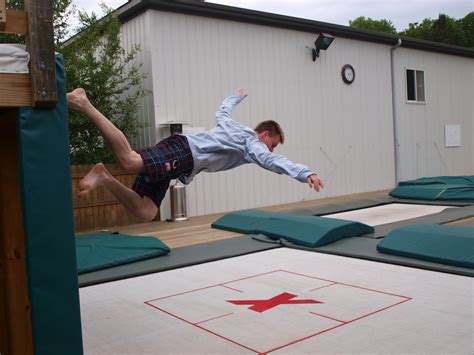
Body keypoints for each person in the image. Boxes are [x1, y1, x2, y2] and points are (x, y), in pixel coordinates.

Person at [67, 88, 324, 221]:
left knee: (145, 211)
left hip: (183, 157)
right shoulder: (251, 141)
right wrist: (305, 173)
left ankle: (104, 176)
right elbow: (270, 160)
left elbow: (222, 112)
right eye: (273, 143)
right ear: (265, 134)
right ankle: (84, 103)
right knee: (129, 160)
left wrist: (234, 97)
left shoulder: (233, 128)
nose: (271, 150)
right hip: (185, 152)